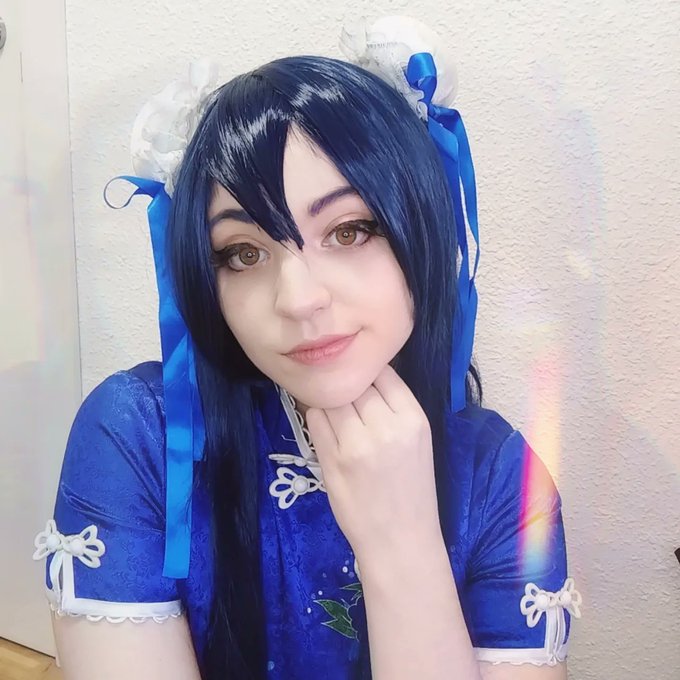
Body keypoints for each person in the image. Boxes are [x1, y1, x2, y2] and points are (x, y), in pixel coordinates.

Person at [32, 15, 581, 680]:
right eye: (243, 252)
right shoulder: (138, 434)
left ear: (423, 229)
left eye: (350, 231)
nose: (297, 299)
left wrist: (402, 548)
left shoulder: (501, 482)